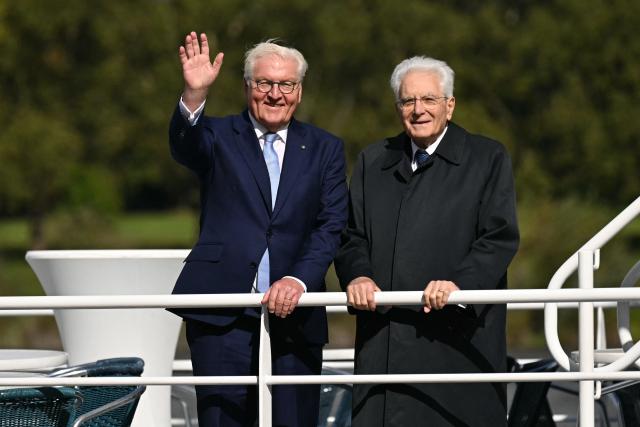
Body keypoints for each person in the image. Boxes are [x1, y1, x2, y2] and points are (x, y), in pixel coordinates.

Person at [168, 32, 348, 427]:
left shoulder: (325, 148)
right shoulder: (217, 136)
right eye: (264, 82)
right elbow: (185, 146)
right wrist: (193, 95)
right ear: (248, 86)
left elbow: (331, 224)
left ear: (298, 91)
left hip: (296, 314)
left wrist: (299, 280)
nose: (274, 94)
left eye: (285, 84)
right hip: (220, 312)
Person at [335, 56, 519, 426]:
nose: (418, 110)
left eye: (429, 100)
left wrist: (459, 285)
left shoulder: (487, 158)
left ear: (449, 106)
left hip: (455, 345)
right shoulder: (373, 160)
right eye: (408, 101)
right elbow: (350, 235)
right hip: (383, 347)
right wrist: (358, 275)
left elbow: (499, 237)